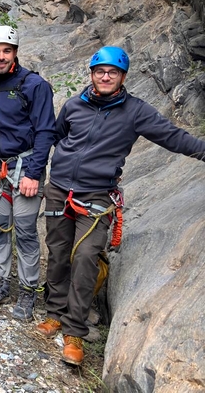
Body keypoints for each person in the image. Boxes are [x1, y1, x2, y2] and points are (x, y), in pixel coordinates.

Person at [37, 46, 205, 366]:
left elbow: (171, 136)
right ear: (91, 74)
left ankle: (74, 330)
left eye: (112, 72)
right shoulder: (74, 105)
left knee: (86, 257)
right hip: (59, 190)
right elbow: (55, 137)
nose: (105, 76)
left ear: (122, 77)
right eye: (100, 71)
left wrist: (202, 151)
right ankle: (55, 313)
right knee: (58, 253)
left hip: (97, 198)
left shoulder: (136, 112)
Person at [0, 26, 57, 320]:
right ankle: (0, 282)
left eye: (6, 51)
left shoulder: (34, 85)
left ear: (15, 52)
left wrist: (34, 174)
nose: (0, 56)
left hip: (25, 164)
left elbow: (46, 131)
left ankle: (27, 291)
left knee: (24, 231)